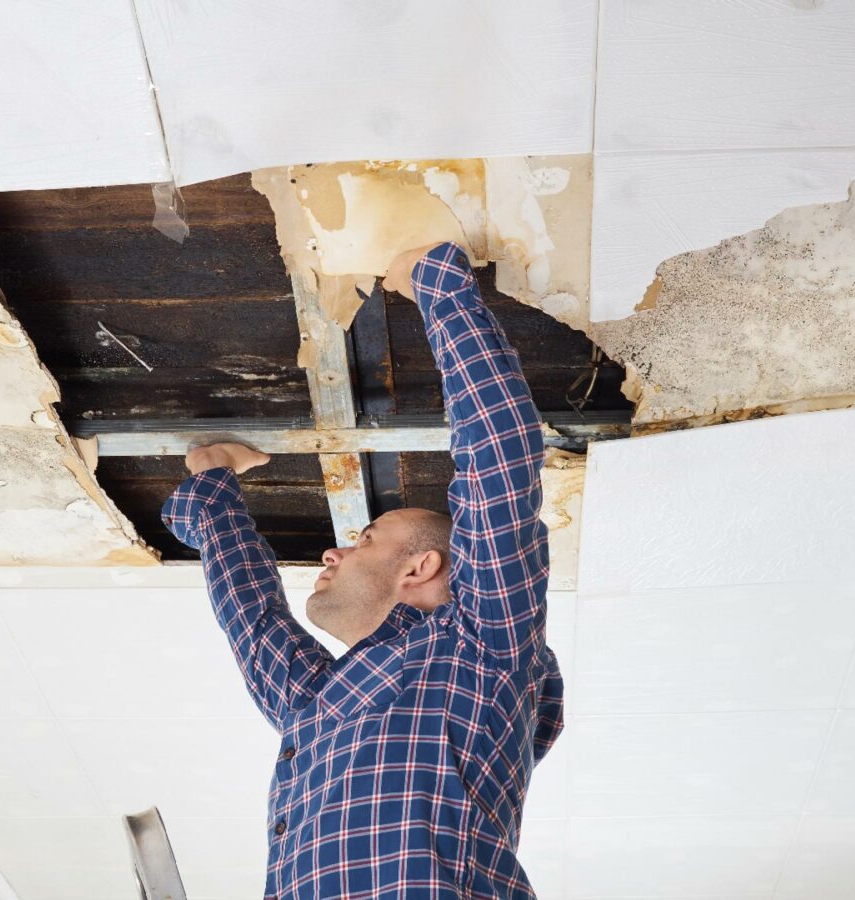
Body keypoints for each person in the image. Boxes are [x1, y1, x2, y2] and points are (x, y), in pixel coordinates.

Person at [161, 242, 563, 898]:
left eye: (362, 538)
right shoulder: (469, 651)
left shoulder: (477, 652)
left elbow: (253, 628)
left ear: (422, 569)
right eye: (366, 537)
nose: (333, 552)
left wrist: (211, 488)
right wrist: (436, 283)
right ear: (420, 567)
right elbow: (499, 462)